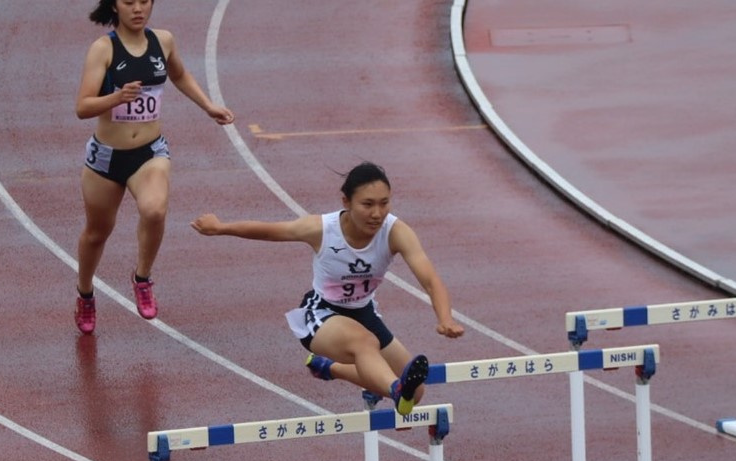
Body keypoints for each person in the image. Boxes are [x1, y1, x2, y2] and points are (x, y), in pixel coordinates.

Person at [191, 162, 464, 414]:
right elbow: (270, 230)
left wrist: (445, 318)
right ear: (346, 201)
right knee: (366, 344)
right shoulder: (321, 228)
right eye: (367, 204)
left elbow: (430, 279)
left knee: (416, 393)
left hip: (364, 312)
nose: (377, 213)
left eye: (384, 203)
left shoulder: (396, 231)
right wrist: (220, 227)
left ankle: (333, 369)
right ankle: (394, 390)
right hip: (322, 313)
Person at [74, 0, 235, 334]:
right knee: (97, 233)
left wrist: (208, 106)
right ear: (114, 6)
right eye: (129, 2)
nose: (138, 9)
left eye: (144, 1)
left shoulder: (163, 41)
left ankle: (142, 278)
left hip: (149, 152)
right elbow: (83, 107)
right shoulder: (103, 49)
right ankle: (85, 293)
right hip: (106, 157)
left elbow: (179, 74)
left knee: (154, 210)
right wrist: (115, 98)